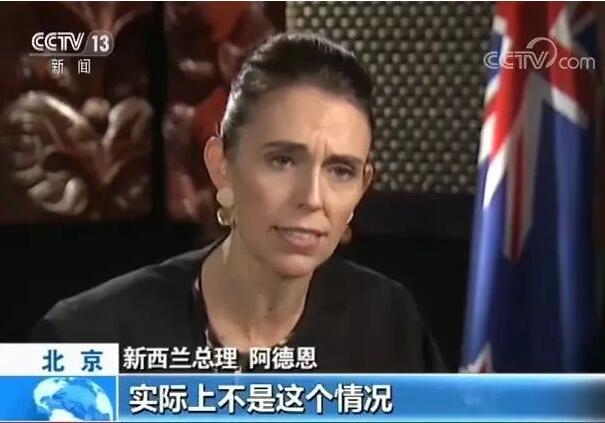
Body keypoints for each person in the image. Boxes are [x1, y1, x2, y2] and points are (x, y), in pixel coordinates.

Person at [31, 32, 448, 373]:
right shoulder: (80, 340)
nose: (311, 198)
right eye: (282, 160)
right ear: (222, 165)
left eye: (340, 170)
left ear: (363, 186)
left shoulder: (388, 321)